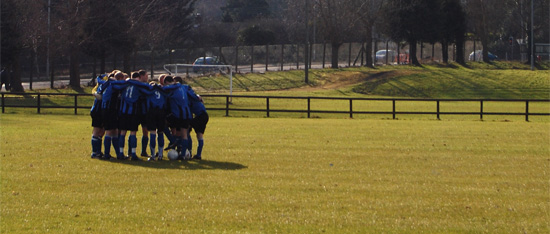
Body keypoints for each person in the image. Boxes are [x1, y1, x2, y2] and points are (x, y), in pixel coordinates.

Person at [116, 71, 154, 161]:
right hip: (133, 112)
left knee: (123, 132)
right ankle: (133, 154)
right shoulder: (139, 86)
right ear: (139, 78)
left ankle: (121, 153)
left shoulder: (125, 84)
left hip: (123, 112)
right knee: (133, 132)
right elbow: (148, 91)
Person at [162, 75, 192, 159]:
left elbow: (164, 91)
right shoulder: (183, 87)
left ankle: (172, 141)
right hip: (187, 114)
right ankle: (183, 155)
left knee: (162, 123)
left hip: (178, 115)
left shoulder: (171, 88)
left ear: (167, 82)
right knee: (184, 134)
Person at [99, 71, 126, 160]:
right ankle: (107, 154)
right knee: (109, 131)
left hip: (109, 110)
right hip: (109, 110)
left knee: (115, 130)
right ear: (120, 78)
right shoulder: (113, 85)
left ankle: (118, 154)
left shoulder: (108, 83)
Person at [145, 79, 168, 161]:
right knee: (160, 133)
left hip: (152, 111)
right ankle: (160, 155)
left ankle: (153, 155)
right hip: (161, 112)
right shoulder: (162, 91)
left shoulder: (149, 92)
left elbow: (147, 103)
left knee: (152, 133)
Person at [188, 88, 209, 160]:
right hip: (205, 115)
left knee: (186, 129)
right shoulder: (195, 97)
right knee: (199, 135)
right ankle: (198, 155)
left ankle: (188, 151)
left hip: (200, 116)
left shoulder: (189, 99)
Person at [90, 74, 107, 159]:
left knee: (102, 131)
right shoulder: (102, 86)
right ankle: (94, 152)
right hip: (97, 111)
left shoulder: (101, 86)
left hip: (102, 111)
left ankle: (98, 151)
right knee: (96, 130)